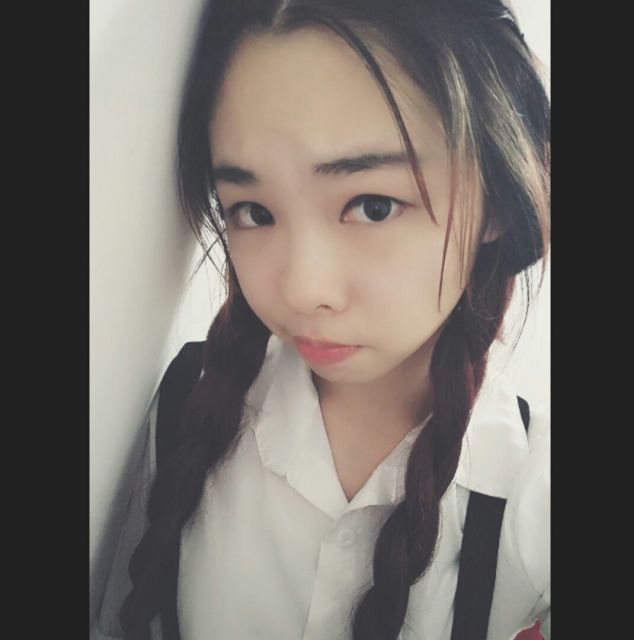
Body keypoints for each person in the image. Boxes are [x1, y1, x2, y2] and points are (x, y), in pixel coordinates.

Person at [96, 1, 550, 638]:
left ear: (496, 201)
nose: (302, 290)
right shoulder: (184, 406)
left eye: (372, 205)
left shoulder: (537, 496)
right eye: (253, 211)